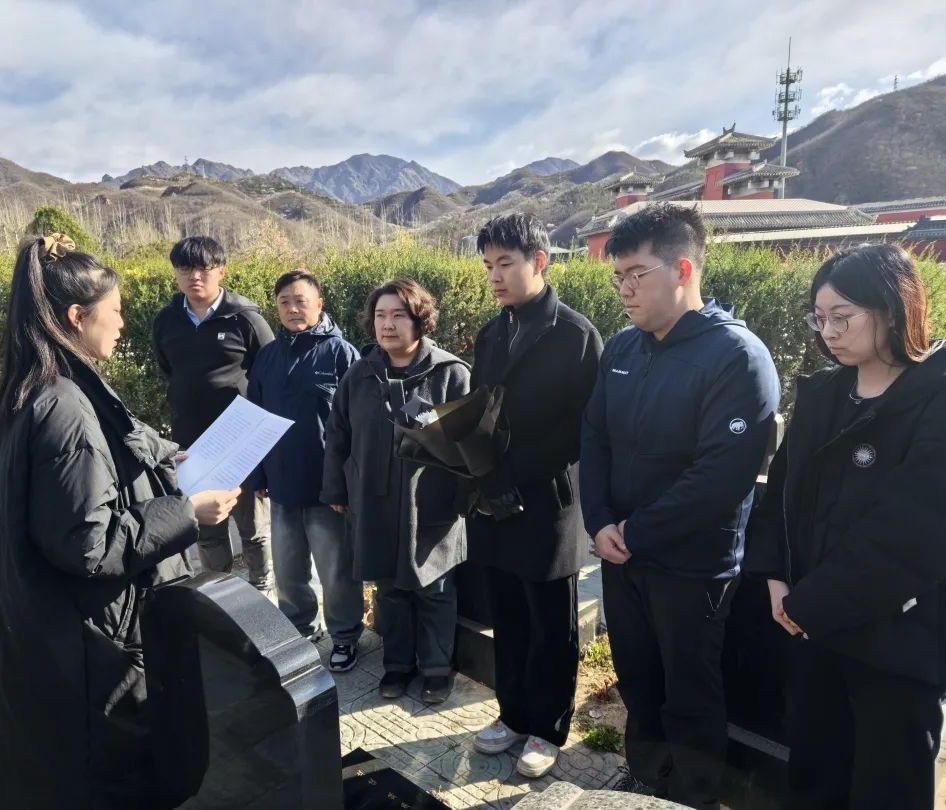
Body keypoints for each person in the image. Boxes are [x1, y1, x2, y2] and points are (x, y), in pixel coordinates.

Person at [0, 234, 240, 810]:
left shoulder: (39, 385)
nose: (123, 323)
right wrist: (188, 511)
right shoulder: (62, 405)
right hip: (92, 648)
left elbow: (108, 453)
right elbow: (89, 543)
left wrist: (165, 458)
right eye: (115, 310)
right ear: (76, 317)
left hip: (58, 636)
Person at [745, 244, 946, 810]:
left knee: (887, 783)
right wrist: (777, 577)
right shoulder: (824, 395)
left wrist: (811, 604)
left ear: (894, 309)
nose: (829, 331)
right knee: (815, 770)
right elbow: (782, 494)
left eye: (843, 316)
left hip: (898, 643)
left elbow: (922, 537)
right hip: (811, 625)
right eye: (820, 317)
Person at [580, 203, 780, 808]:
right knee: (638, 677)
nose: (624, 289)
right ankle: (645, 775)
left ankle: (693, 794)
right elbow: (595, 437)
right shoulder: (623, 348)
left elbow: (721, 477)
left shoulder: (736, 356)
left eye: (635, 275)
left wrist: (634, 531)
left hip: (693, 566)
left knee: (690, 691)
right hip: (622, 555)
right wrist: (599, 521)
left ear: (683, 269)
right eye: (618, 277)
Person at [467, 212, 603, 779]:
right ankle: (512, 713)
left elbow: (580, 429)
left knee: (552, 624)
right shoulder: (492, 333)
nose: (495, 276)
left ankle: (547, 727)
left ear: (539, 261)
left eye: (506, 263)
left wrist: (513, 469)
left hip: (547, 501)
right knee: (508, 616)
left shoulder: (575, 334)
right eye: (488, 266)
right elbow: (481, 411)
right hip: (494, 502)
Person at [321, 279, 470, 705]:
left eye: (399, 315)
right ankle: (398, 665)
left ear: (420, 320)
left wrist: (463, 498)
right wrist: (336, 488)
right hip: (375, 500)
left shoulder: (450, 372)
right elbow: (338, 435)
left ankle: (437, 670)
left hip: (432, 503)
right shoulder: (359, 374)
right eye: (381, 316)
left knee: (434, 587)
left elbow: (469, 442)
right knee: (389, 589)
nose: (387, 325)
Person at [247, 269, 365, 671]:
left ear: (319, 304)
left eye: (301, 301)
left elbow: (358, 426)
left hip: (327, 489)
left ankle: (345, 635)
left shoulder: (341, 354)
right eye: (284, 302)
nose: (293, 309)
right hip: (281, 484)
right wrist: (258, 475)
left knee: (336, 572)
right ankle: (300, 629)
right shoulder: (267, 357)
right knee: (289, 569)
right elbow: (254, 419)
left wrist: (346, 485)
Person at [152, 236, 274, 591]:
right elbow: (168, 369)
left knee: (253, 530)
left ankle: (264, 594)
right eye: (185, 269)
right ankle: (220, 596)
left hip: (241, 445)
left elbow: (268, 374)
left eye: (203, 268)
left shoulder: (246, 319)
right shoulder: (167, 321)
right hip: (192, 446)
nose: (194, 277)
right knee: (207, 532)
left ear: (221, 271)